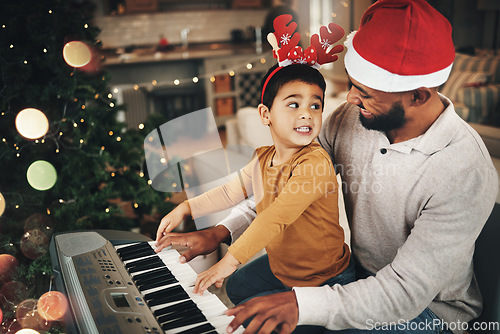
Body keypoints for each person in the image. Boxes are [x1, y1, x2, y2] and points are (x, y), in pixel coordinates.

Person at [156, 1, 499, 333]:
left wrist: (301, 305)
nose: (349, 98)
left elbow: (404, 292)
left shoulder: (464, 171)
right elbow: (285, 187)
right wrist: (222, 231)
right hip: (356, 270)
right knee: (242, 288)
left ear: (419, 96)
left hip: (427, 308)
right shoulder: (352, 118)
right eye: (352, 84)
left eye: (364, 92)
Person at [156, 63, 354, 300]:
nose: (306, 114)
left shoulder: (315, 163)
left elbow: (275, 217)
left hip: (325, 277)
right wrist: (186, 208)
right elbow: (230, 193)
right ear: (265, 114)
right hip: (284, 266)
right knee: (236, 287)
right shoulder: (262, 158)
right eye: (293, 104)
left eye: (315, 105)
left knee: (268, 318)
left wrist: (228, 261)